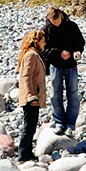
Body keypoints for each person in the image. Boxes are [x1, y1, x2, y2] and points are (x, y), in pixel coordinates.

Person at [42, 7, 85, 135]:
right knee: (55, 94)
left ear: (61, 15)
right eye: (54, 21)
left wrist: (77, 51)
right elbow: (44, 50)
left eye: (58, 20)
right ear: (49, 19)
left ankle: (71, 124)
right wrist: (59, 53)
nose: (57, 23)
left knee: (73, 94)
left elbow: (80, 42)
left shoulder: (72, 26)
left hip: (71, 65)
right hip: (55, 66)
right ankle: (59, 122)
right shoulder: (45, 31)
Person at [17, 30, 48, 162]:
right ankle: (23, 155)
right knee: (29, 126)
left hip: (34, 96)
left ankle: (28, 153)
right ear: (37, 41)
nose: (45, 43)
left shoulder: (35, 54)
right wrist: (31, 96)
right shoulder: (31, 55)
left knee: (32, 125)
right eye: (43, 40)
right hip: (31, 98)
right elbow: (26, 77)